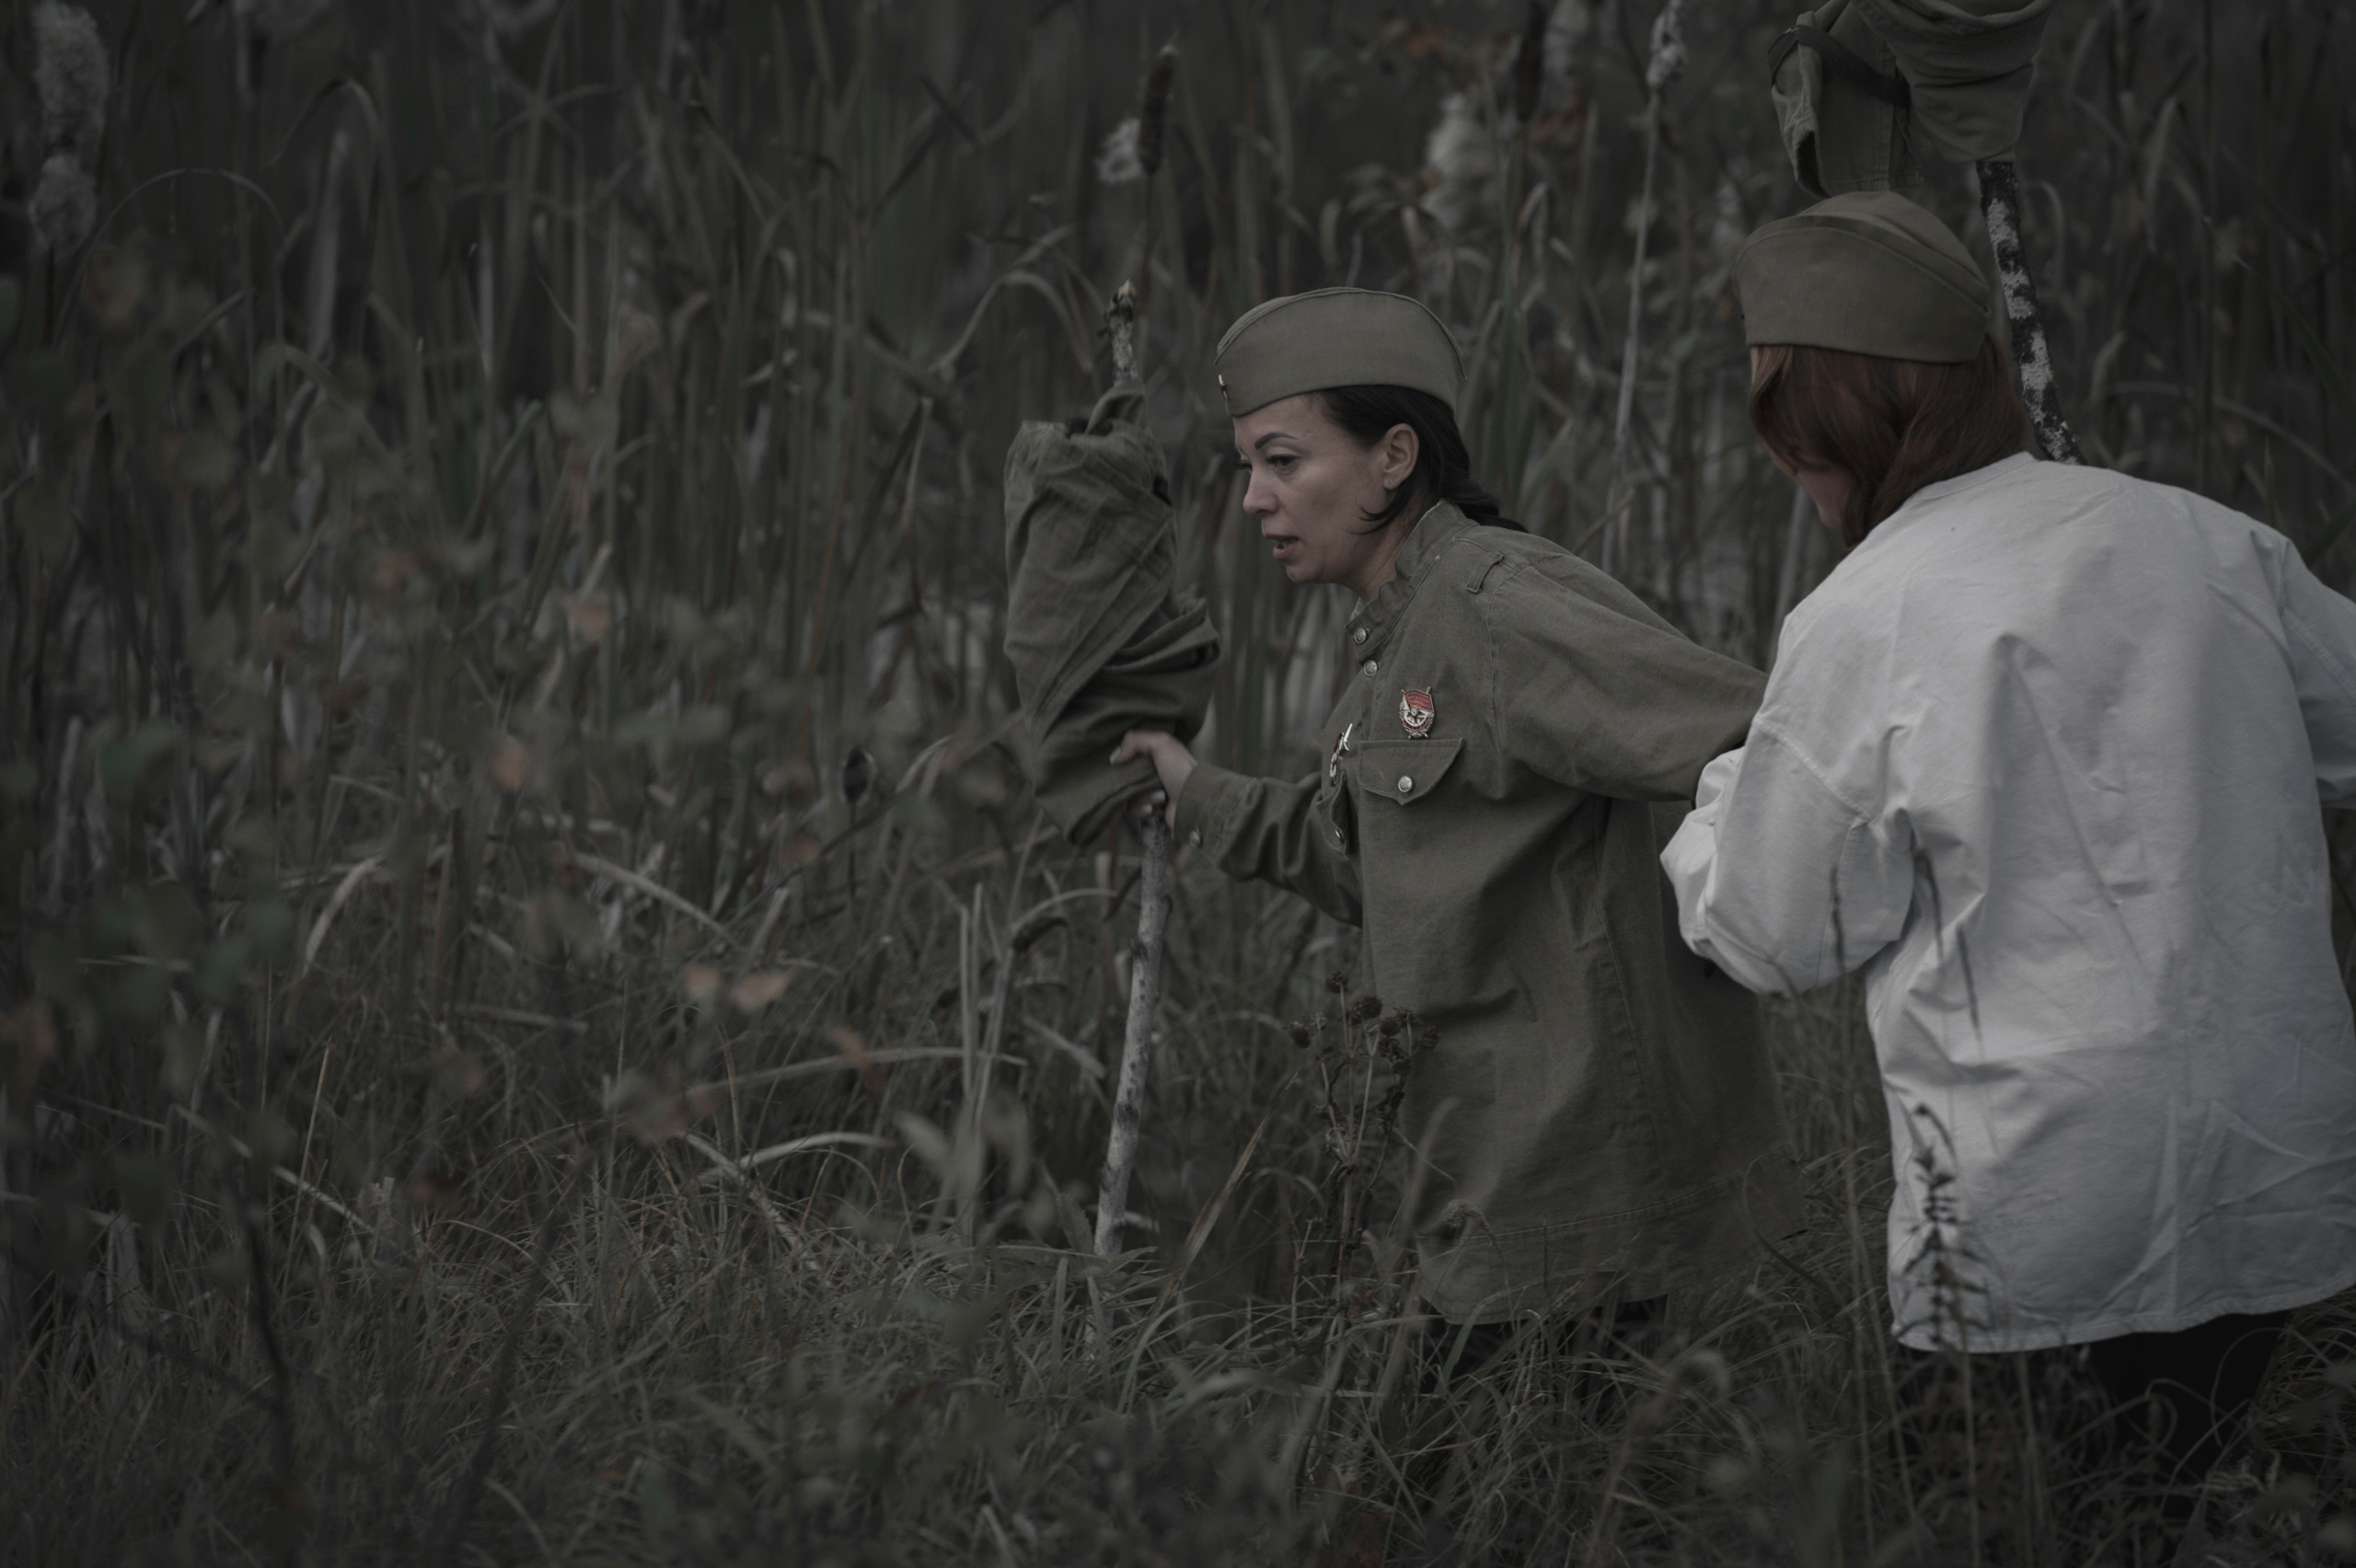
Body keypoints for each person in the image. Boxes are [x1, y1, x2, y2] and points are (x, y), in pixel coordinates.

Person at [1661, 190, 2356, 1517]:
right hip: (2269, 1173)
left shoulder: (1863, 608)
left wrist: (1716, 804)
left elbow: (1771, 931)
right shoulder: (2213, 540)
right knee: (2188, 1514)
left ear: (1820, 421)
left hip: (2034, 1210)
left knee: (2008, 1531)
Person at [1113, 286, 1803, 1364]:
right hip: (1472, 1190)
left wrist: (1717, 940)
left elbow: (1762, 743)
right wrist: (1191, 786)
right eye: (1247, 465)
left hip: (1573, 1201)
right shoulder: (1401, 638)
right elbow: (1370, 863)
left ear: (1394, 456)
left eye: (1283, 462)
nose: (1253, 499)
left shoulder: (1494, 607)